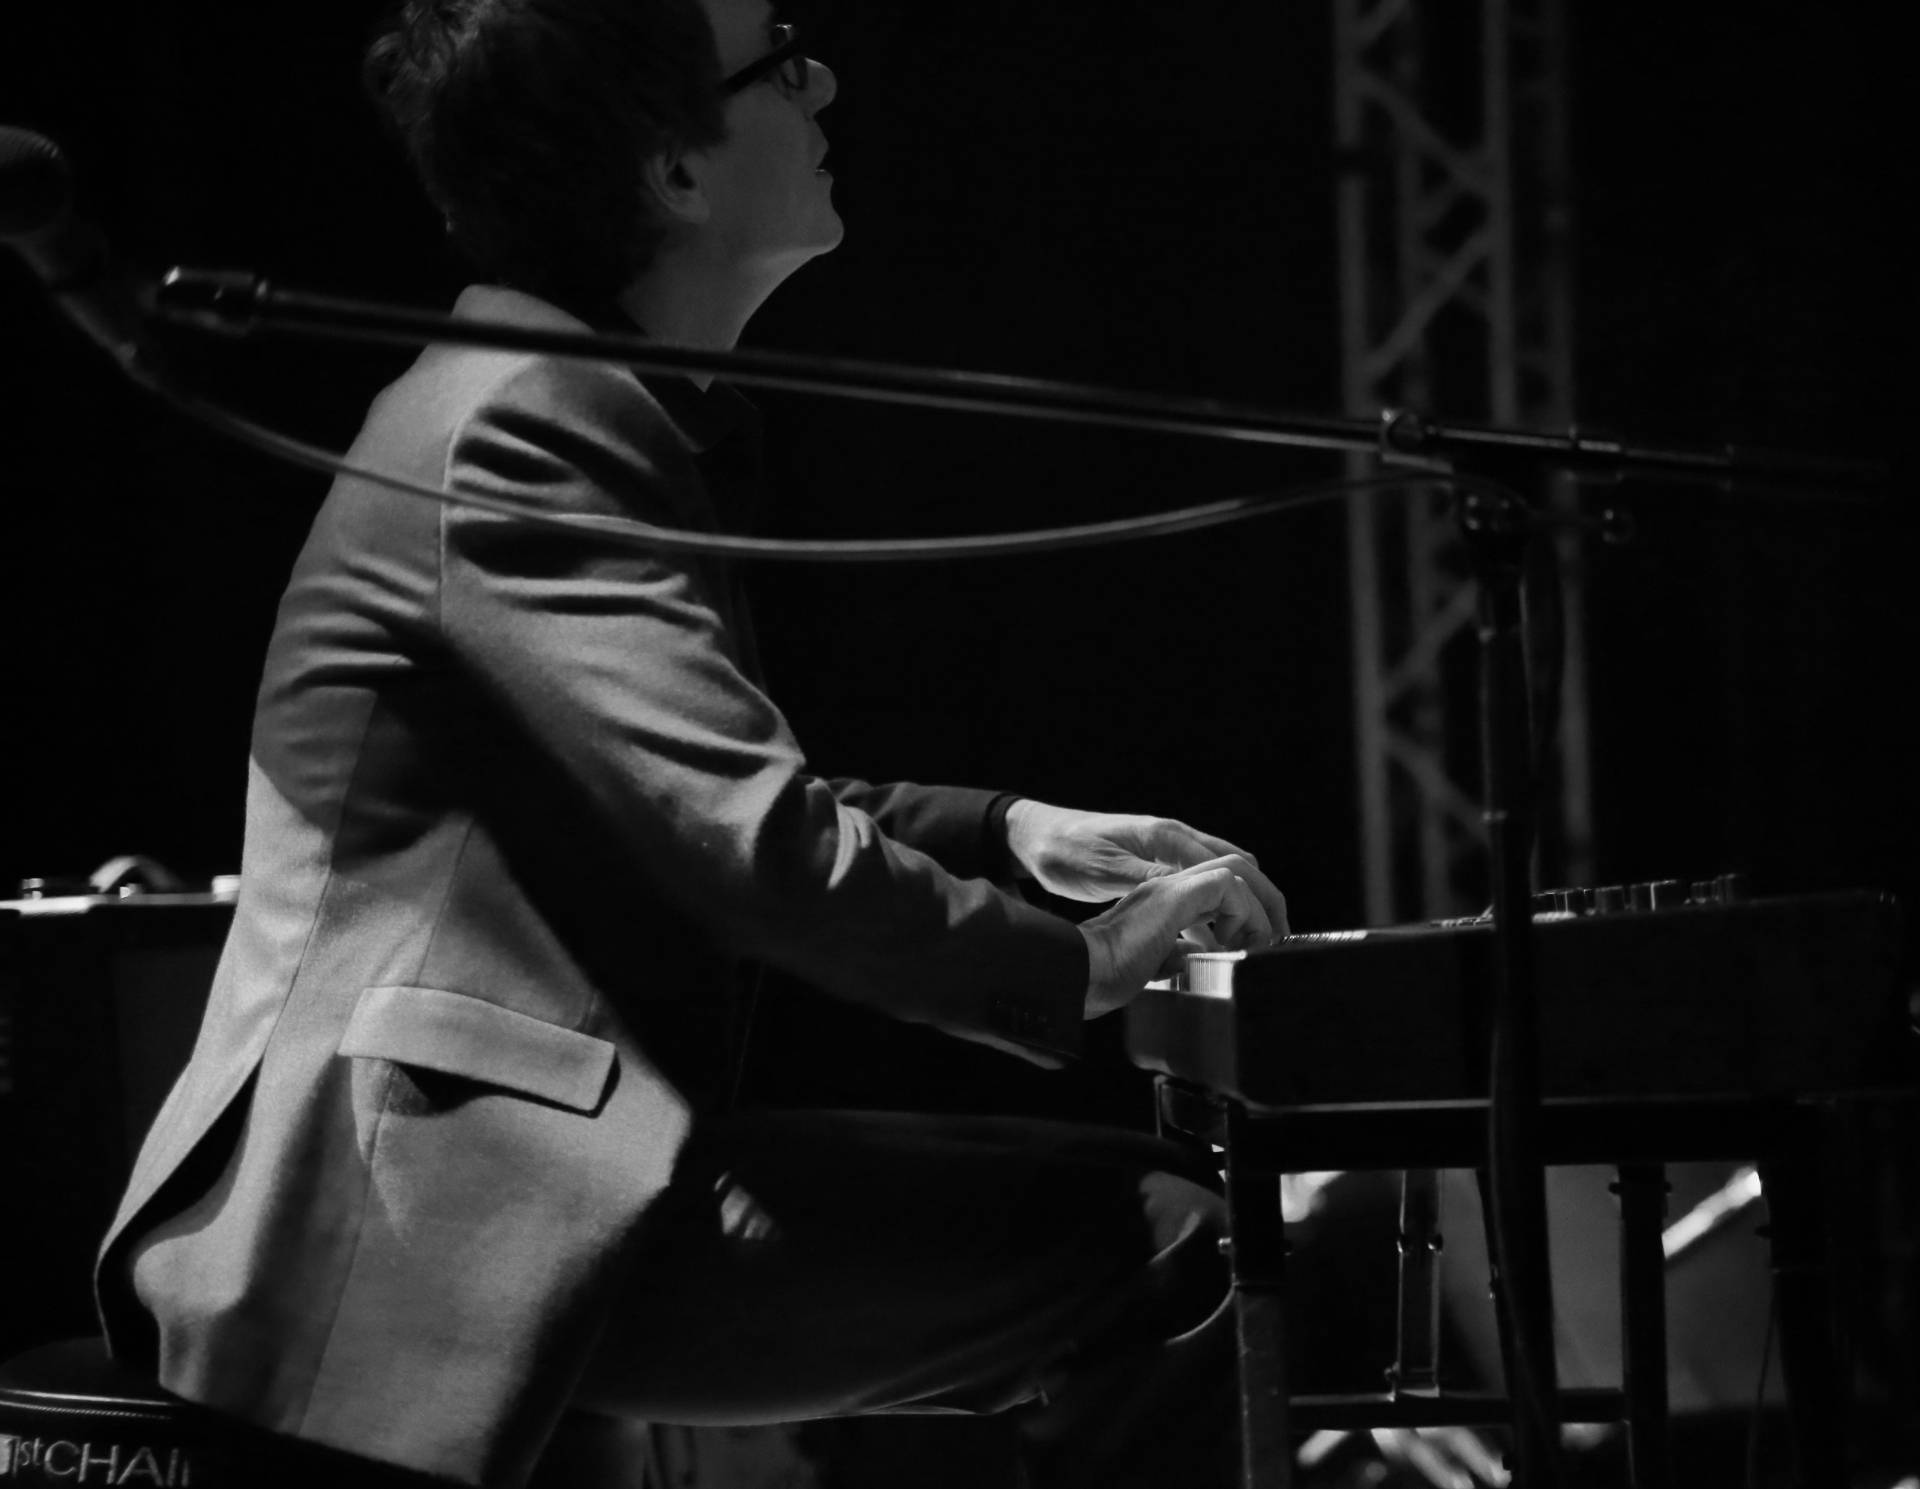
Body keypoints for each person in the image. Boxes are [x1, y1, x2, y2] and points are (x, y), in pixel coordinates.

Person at [93, 1, 1293, 1485]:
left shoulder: (550, 396)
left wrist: (1008, 831)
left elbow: (681, 790)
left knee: (1111, 1242)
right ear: (673, 170)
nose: (827, 77)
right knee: (1187, 1247)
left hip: (504, 1173)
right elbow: (749, 837)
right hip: (425, 1209)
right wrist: (1085, 964)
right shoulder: (522, 417)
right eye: (784, 55)